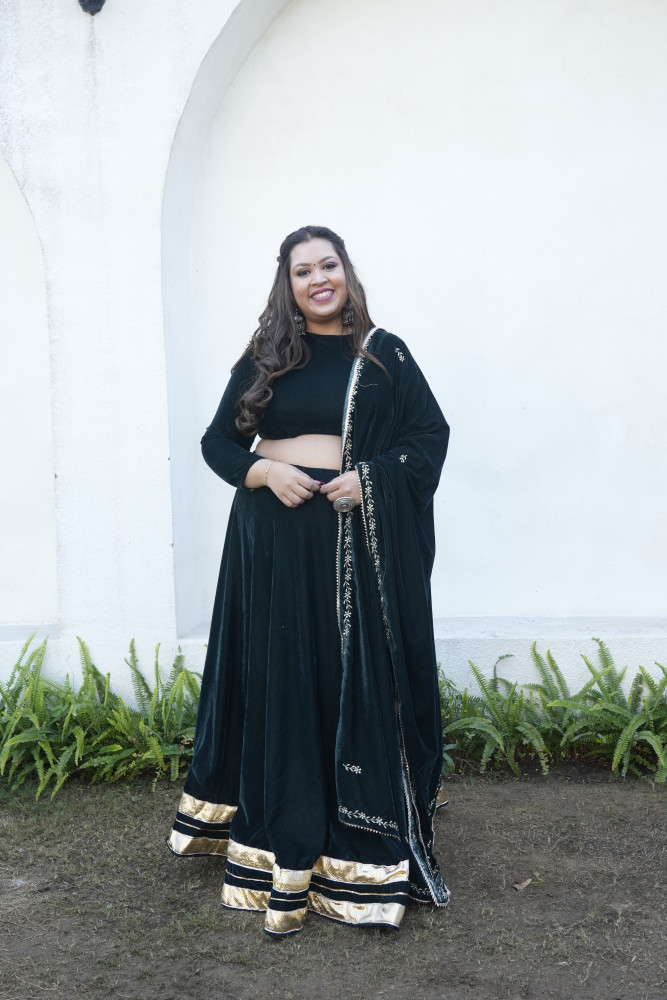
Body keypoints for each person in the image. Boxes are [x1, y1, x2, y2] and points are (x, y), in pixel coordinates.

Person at [167, 226, 450, 935]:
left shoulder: (384, 354)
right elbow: (216, 443)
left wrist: (369, 480)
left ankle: (351, 838)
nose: (318, 279)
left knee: (340, 681)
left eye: (328, 265)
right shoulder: (269, 356)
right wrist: (263, 470)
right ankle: (277, 834)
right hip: (272, 543)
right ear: (286, 284)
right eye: (303, 271)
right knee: (283, 682)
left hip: (350, 540)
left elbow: (428, 439)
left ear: (346, 272)